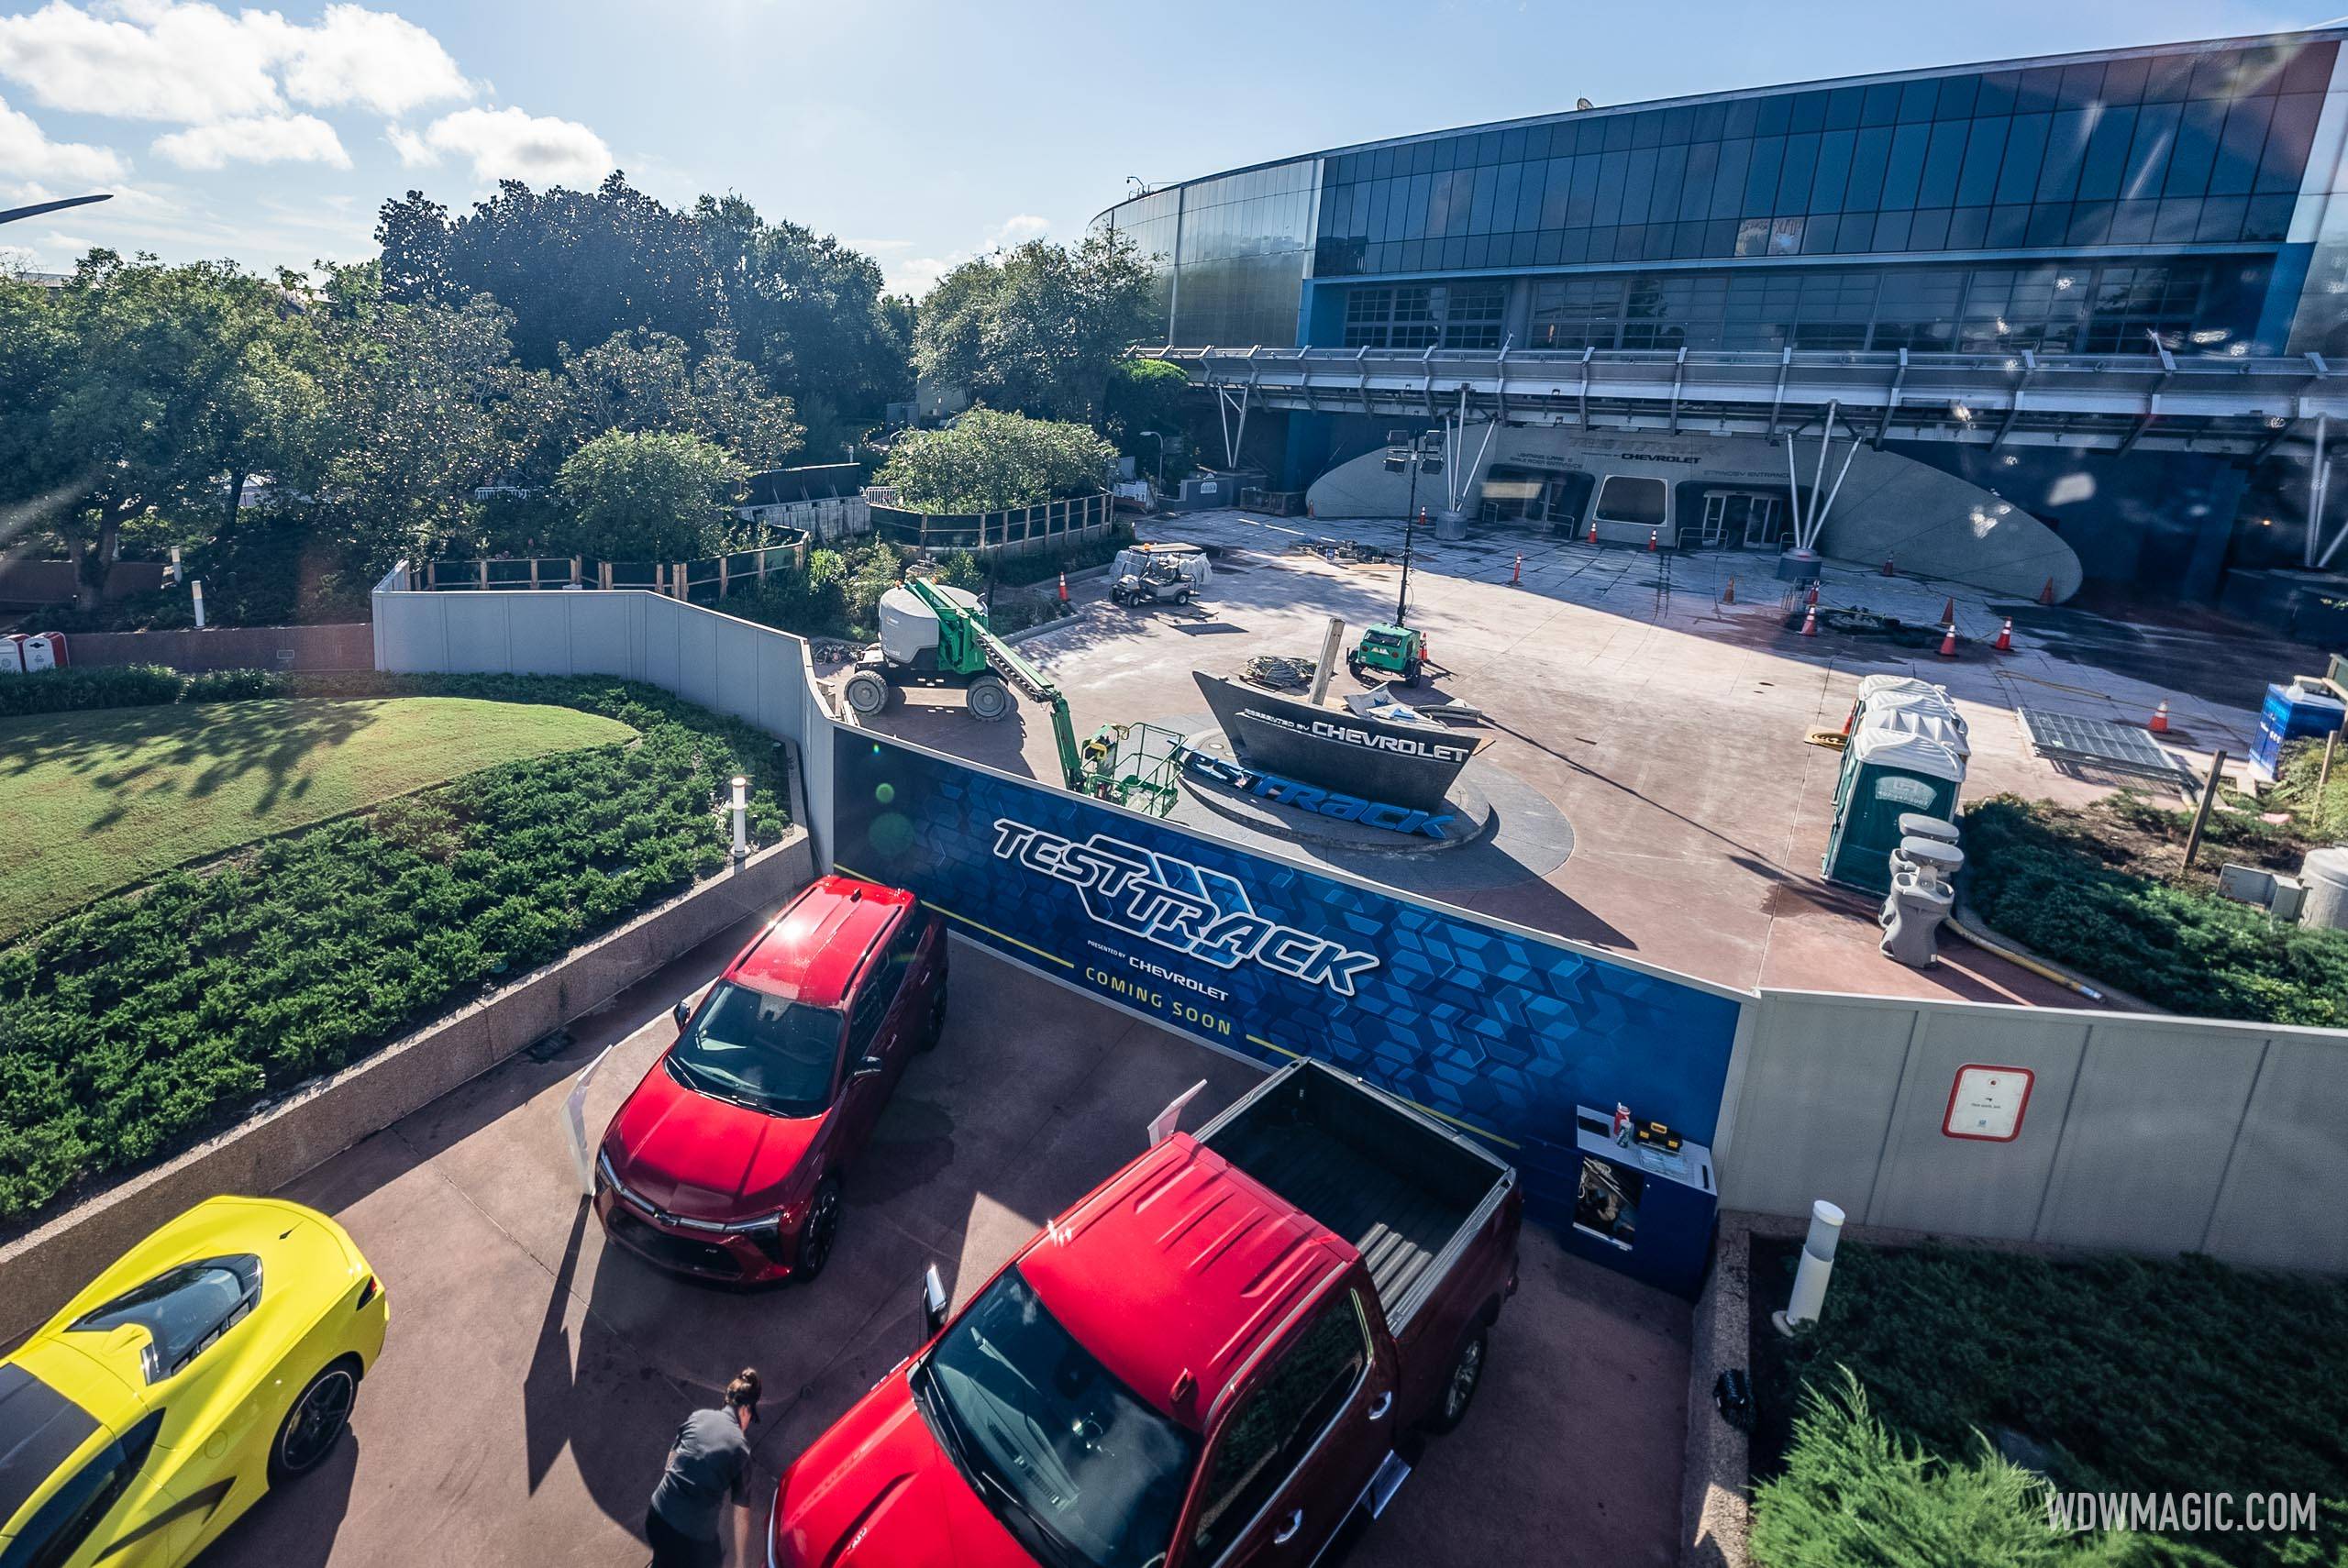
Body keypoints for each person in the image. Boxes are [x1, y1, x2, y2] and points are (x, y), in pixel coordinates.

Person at [647, 1369, 760, 1567]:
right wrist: (741, 1562)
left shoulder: (698, 1417)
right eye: (751, 1417)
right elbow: (741, 1514)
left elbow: (671, 1461)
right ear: (745, 1410)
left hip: (657, 1516)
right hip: (692, 1539)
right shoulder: (741, 1450)